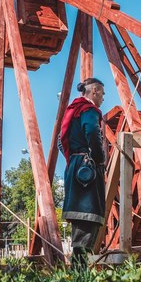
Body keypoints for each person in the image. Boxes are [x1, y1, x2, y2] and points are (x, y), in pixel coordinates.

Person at [59, 78, 106, 270]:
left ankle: (78, 268)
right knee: (87, 215)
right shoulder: (89, 110)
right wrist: (99, 157)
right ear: (94, 91)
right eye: (102, 93)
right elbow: (93, 131)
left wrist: (75, 158)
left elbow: (60, 143)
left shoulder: (72, 111)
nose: (103, 98)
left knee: (81, 218)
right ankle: (79, 270)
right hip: (87, 169)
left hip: (75, 167)